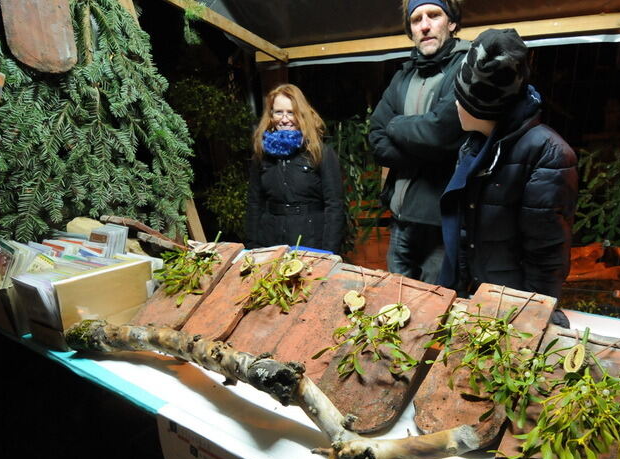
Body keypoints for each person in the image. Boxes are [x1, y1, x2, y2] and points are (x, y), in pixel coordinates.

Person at [438, 28, 578, 326]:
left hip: (513, 314)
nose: (455, 104)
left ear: (482, 105)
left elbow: (547, 256)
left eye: (460, 97)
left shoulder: (548, 154)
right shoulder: (476, 144)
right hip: (480, 302)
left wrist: (530, 323)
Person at [369, 0, 469, 283]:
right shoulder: (403, 75)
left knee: (433, 312)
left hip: (440, 222)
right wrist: (425, 151)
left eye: (434, 15)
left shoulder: (465, 67)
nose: (424, 25)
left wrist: (395, 125)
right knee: (395, 306)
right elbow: (376, 137)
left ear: (451, 23)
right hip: (400, 218)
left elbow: (441, 132)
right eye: (416, 20)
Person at [245, 84, 345, 253]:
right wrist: (252, 246)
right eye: (278, 112)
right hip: (271, 241)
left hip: (311, 240)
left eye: (291, 112)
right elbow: (254, 203)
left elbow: (334, 205)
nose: (285, 119)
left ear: (301, 114)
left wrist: (330, 252)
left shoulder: (320, 152)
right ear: (270, 115)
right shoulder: (262, 153)